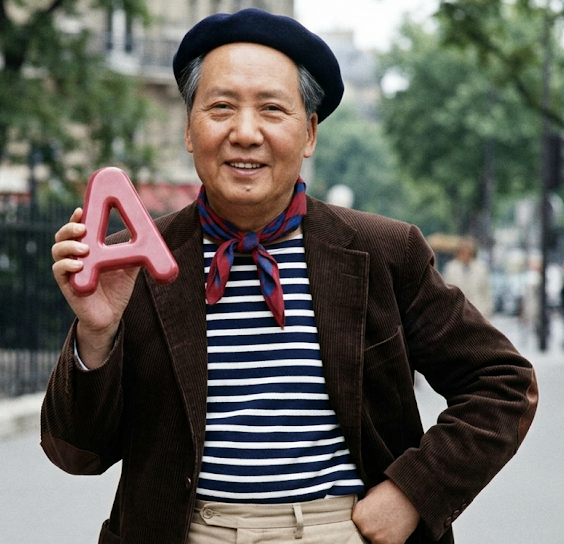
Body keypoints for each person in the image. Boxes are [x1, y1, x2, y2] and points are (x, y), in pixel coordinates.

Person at [42, 9, 537, 544]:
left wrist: (414, 492)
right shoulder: (130, 264)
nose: (245, 133)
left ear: (309, 133)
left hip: (339, 531)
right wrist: (96, 335)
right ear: (188, 129)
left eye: (272, 109)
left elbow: (503, 383)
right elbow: (77, 453)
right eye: (221, 107)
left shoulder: (384, 253)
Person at [442, 237, 493, 319]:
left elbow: (487, 292)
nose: (466, 253)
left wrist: (487, 311)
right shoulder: (451, 268)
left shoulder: (481, 268)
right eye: (464, 250)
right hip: (457, 314)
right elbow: (447, 292)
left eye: (469, 251)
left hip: (478, 313)